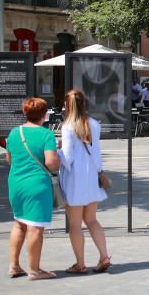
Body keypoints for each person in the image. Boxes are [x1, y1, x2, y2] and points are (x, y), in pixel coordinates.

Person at [5, 97, 60, 280]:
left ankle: (14, 266)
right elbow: (51, 163)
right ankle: (35, 270)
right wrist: (59, 156)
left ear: (25, 113)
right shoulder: (46, 135)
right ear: (44, 115)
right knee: (35, 227)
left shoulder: (14, 133)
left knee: (19, 223)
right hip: (37, 185)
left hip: (15, 183)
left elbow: (9, 160)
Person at [58, 89, 111, 274]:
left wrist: (56, 151)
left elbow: (67, 158)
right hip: (91, 178)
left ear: (67, 105)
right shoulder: (94, 124)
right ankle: (104, 255)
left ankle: (80, 263)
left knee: (74, 224)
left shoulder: (67, 127)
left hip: (75, 179)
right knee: (92, 219)